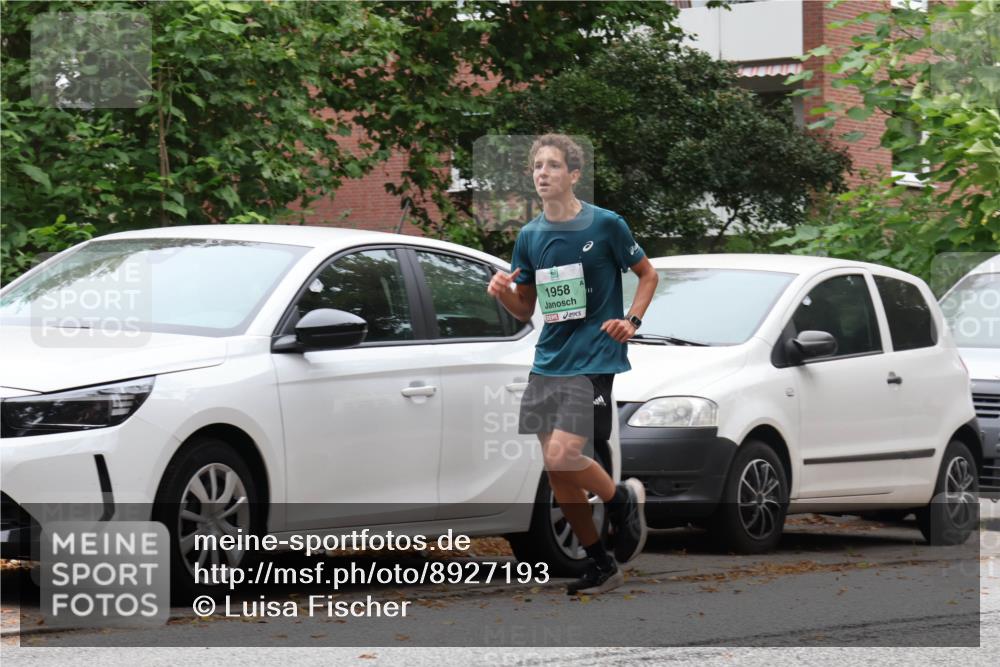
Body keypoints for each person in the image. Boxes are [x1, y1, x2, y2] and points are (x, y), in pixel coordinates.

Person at [487, 134, 659, 595]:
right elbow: (526, 310)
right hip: (549, 361)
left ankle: (620, 498)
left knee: (564, 455)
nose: (543, 173)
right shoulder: (530, 236)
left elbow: (647, 274)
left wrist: (632, 320)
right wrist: (505, 293)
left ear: (574, 175)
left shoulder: (606, 226)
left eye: (554, 166)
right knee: (557, 469)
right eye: (538, 166)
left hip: (594, 356)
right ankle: (600, 560)